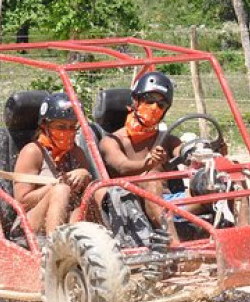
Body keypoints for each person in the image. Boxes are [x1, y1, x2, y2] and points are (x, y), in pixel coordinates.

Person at [97, 71, 181, 231]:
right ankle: (174, 245)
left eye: (161, 105)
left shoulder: (168, 140)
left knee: (228, 178)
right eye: (149, 100)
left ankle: (239, 243)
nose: (154, 108)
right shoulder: (111, 141)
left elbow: (183, 151)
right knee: (151, 179)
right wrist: (147, 163)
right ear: (135, 101)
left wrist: (206, 151)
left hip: (173, 202)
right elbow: (122, 166)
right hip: (134, 209)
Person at [13, 92, 91, 236]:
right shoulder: (33, 151)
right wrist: (55, 186)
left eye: (73, 127)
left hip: (68, 218)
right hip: (30, 226)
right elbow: (21, 202)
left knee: (91, 196)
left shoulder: (76, 152)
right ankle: (54, 248)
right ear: (45, 126)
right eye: (61, 127)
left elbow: (85, 196)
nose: (68, 132)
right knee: (61, 190)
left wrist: (85, 176)